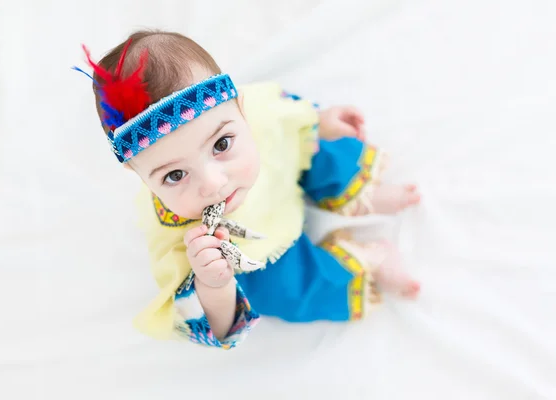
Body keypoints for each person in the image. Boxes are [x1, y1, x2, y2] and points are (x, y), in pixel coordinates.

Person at [75, 29, 421, 350]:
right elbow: (218, 325)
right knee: (283, 291)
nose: (213, 183)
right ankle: (370, 261)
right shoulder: (177, 242)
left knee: (318, 145)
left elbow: (290, 113)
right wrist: (214, 284)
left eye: (221, 144)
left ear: (239, 109)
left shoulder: (257, 115)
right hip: (259, 252)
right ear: (139, 175)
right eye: (175, 174)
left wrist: (322, 121)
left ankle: (356, 195)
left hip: (278, 173)